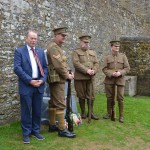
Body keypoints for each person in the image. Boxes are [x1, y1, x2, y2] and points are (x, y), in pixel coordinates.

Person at [14, 30, 48, 144]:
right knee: (26, 111)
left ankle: (36, 131)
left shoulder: (40, 52)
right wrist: (30, 81)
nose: (33, 40)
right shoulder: (19, 51)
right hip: (26, 86)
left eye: (35, 38)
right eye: (31, 38)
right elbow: (17, 68)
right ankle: (26, 133)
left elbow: (45, 68)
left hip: (39, 85)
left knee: (38, 110)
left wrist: (42, 80)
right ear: (26, 38)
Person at [46, 27, 76, 138]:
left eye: (65, 36)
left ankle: (52, 125)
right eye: (62, 35)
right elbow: (58, 65)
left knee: (54, 102)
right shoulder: (53, 47)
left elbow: (63, 62)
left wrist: (69, 71)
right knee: (60, 103)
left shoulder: (58, 47)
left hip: (58, 77)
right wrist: (66, 75)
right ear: (56, 35)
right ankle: (62, 129)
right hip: (57, 78)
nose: (64, 37)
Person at [102, 38, 130, 123]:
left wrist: (120, 73)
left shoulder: (123, 56)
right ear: (111, 47)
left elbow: (127, 68)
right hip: (109, 80)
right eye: (115, 46)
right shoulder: (107, 57)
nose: (117, 47)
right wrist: (111, 73)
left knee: (120, 98)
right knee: (109, 97)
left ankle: (121, 115)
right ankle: (109, 113)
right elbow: (104, 69)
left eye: (118, 46)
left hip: (120, 80)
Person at [72, 35, 99, 120]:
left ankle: (91, 112)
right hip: (80, 78)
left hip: (90, 78)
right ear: (81, 42)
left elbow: (96, 63)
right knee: (81, 95)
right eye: (85, 42)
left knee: (91, 95)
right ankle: (83, 112)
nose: (87, 44)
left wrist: (94, 70)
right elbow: (76, 64)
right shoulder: (76, 52)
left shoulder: (93, 52)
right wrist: (87, 70)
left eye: (88, 42)